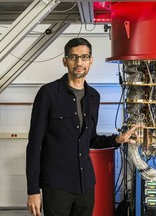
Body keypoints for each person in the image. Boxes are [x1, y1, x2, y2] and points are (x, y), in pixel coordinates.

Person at [26, 37, 138, 216]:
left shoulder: (94, 96)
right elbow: (34, 145)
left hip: (85, 185)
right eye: (73, 57)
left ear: (91, 60)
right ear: (65, 61)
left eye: (85, 57)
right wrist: (32, 190)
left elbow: (90, 139)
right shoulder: (48, 93)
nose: (79, 62)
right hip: (57, 185)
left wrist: (117, 139)